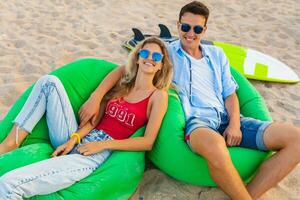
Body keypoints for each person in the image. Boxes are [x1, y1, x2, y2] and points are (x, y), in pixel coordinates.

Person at [78, 2, 300, 200]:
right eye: (185, 27)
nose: (190, 33)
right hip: (198, 124)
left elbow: (230, 93)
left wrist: (234, 123)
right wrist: (96, 97)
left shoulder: (217, 55)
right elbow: (122, 69)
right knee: (215, 145)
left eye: (197, 29)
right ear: (178, 26)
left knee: (296, 139)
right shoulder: (168, 54)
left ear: (205, 30)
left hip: (229, 118)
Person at [0, 37, 173, 199]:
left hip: (93, 156)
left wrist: (103, 145)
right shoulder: (124, 84)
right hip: (77, 138)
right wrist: (73, 138)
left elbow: (148, 141)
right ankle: (12, 141)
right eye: (144, 53)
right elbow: (96, 121)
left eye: (156, 56)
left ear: (161, 65)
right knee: (49, 82)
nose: (150, 58)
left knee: (9, 184)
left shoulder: (158, 96)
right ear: (137, 58)